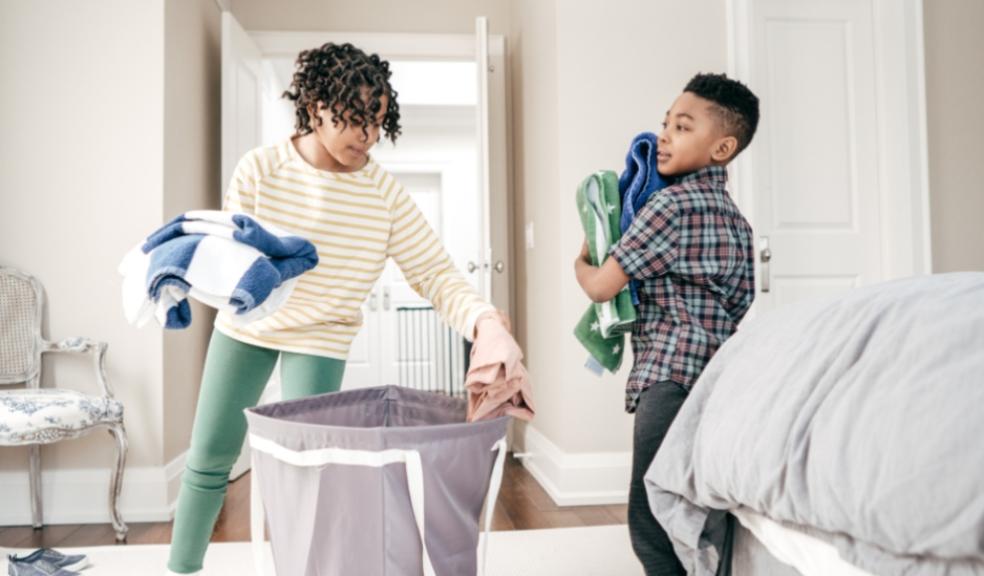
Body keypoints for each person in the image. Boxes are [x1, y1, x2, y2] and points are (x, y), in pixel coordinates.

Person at [166, 42, 508, 575]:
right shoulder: (260, 169)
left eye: (376, 120)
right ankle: (179, 569)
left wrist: (484, 321)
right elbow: (233, 262)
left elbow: (435, 273)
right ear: (316, 106)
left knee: (310, 473)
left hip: (321, 336)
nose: (367, 134)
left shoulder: (384, 195)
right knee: (209, 454)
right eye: (353, 118)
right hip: (247, 328)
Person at [574, 72, 759, 575]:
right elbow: (739, 304)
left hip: (668, 380)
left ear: (722, 148)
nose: (663, 136)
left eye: (682, 126)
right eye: (665, 124)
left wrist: (583, 258)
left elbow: (602, 286)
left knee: (652, 517)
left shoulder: (667, 206)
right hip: (721, 382)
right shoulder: (739, 224)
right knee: (706, 507)